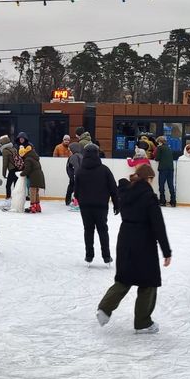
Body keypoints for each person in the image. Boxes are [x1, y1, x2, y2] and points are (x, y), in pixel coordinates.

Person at [95, 164, 172, 334]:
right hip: (144, 242)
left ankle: (104, 309)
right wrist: (166, 251)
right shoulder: (149, 197)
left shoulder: (126, 194)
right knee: (148, 282)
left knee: (124, 278)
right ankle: (143, 322)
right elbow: (158, 226)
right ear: (149, 179)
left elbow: (121, 189)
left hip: (125, 239)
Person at [74, 143, 119, 265]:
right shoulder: (104, 170)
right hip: (101, 206)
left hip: (85, 207)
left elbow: (76, 191)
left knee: (88, 230)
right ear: (97, 154)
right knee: (103, 230)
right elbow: (113, 188)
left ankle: (89, 256)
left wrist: (81, 199)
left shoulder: (80, 171)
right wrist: (116, 204)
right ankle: (106, 256)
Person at [17, 132, 46, 213]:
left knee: (32, 191)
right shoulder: (33, 156)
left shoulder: (28, 159)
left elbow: (27, 169)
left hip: (34, 176)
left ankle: (32, 206)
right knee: (36, 192)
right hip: (39, 176)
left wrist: (21, 174)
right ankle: (38, 206)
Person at [154, 136, 176, 207]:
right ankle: (173, 201)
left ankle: (162, 201)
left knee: (161, 185)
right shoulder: (169, 148)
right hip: (170, 168)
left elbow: (157, 158)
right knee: (170, 185)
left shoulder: (159, 148)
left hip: (163, 168)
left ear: (160, 142)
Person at [0, 135, 19, 210]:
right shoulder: (14, 148)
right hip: (17, 169)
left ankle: (8, 201)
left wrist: (4, 173)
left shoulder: (5, 151)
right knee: (15, 186)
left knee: (8, 186)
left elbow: (5, 163)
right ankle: (16, 201)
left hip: (12, 170)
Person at [65, 141, 86, 210]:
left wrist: (75, 176)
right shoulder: (80, 155)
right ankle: (76, 202)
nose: (69, 151)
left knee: (75, 189)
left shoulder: (74, 157)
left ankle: (76, 204)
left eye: (70, 150)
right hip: (78, 176)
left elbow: (76, 167)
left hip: (75, 176)